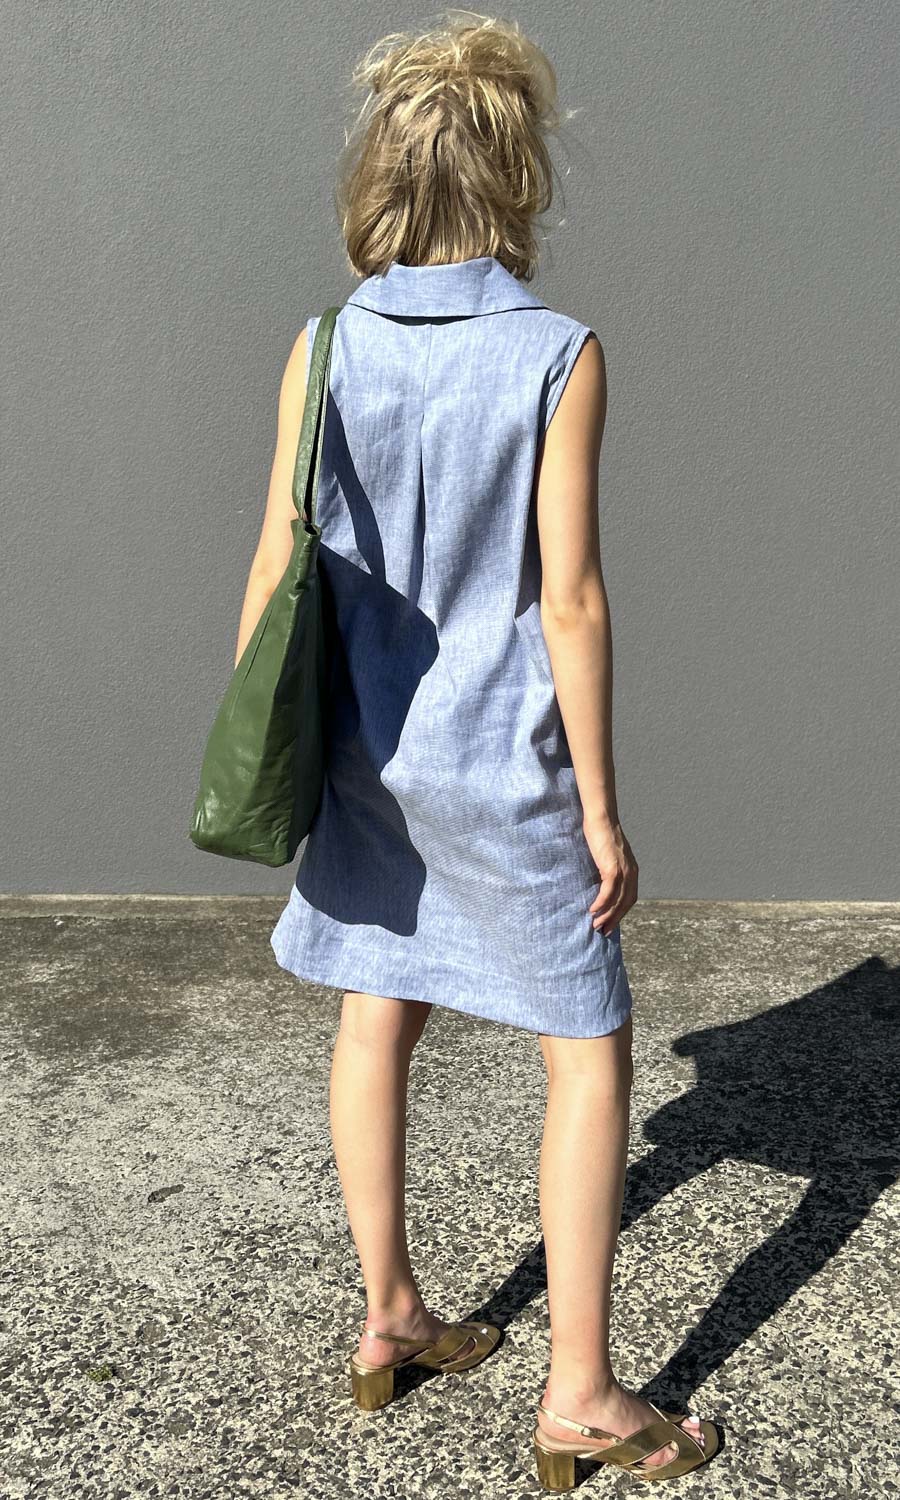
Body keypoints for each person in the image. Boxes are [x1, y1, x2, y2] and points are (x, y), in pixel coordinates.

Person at [235, 12, 717, 1489]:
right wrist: (603, 812)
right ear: (517, 174)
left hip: (366, 754)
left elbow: (277, 564)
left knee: (376, 1008)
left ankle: (390, 1313)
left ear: (380, 171)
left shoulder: (324, 346)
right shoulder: (557, 355)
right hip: (503, 763)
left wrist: (270, 749)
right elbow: (568, 599)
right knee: (588, 1048)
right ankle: (582, 1394)